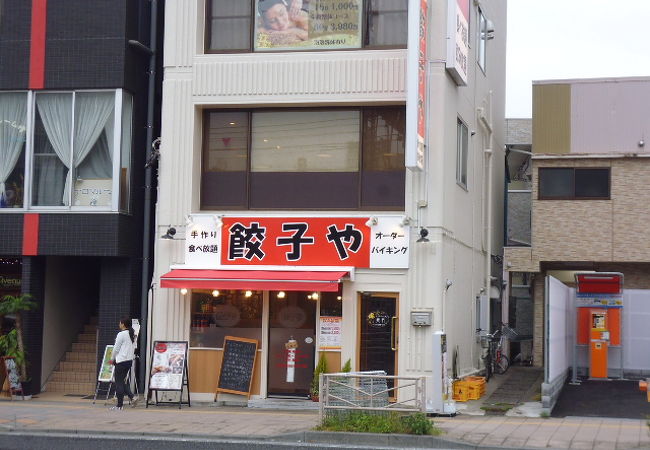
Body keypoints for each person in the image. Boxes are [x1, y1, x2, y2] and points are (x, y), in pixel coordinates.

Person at [109, 317, 137, 410]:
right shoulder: (132, 334)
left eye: (120, 323)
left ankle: (119, 405)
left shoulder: (121, 334)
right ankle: (132, 397)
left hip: (121, 361)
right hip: (129, 361)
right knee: (121, 381)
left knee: (118, 383)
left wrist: (112, 359)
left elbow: (116, 348)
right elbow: (134, 347)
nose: (119, 325)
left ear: (123, 324)